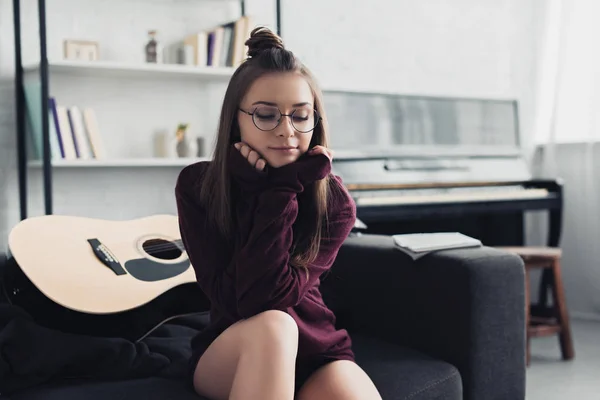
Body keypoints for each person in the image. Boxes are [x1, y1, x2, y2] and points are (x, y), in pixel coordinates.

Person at [175, 26, 382, 400]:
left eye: (300, 116)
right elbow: (251, 302)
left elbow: (279, 291)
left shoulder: (333, 201)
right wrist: (275, 191)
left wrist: (281, 187)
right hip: (233, 350)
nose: (287, 131)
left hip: (317, 351)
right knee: (275, 326)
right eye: (266, 115)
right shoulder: (198, 187)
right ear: (235, 119)